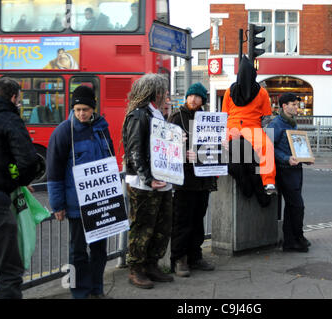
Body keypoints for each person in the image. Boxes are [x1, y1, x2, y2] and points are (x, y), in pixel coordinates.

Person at [47, 85, 114, 299]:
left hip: (100, 203)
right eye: (77, 109)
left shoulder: (102, 129)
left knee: (99, 251)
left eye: (85, 109)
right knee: (77, 252)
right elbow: (54, 171)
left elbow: (110, 162)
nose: (81, 114)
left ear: (93, 108)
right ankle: (79, 293)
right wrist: (57, 205)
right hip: (76, 206)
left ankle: (97, 289)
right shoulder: (64, 132)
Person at [122, 74, 174, 289]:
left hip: (162, 180)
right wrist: (148, 178)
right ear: (155, 92)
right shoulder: (138, 116)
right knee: (143, 226)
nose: (166, 95)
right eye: (163, 90)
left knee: (162, 226)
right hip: (144, 183)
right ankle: (136, 269)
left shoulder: (156, 114)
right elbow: (134, 151)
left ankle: (151, 264)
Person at [0, 78, 40, 299]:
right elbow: (28, 161)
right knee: (9, 271)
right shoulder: (8, 119)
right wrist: (20, 181)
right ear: (14, 97)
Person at [168, 82, 217, 277]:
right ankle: (179, 259)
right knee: (182, 220)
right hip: (184, 179)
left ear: (203, 100)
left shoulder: (207, 119)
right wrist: (182, 153)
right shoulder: (176, 117)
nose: (193, 100)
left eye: (197, 97)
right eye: (191, 96)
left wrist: (220, 144)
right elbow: (166, 147)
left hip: (203, 178)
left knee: (198, 219)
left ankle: (195, 256)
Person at [222, 56, 276, 195]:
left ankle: (214, 176)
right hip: (252, 127)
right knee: (266, 147)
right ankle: (268, 181)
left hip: (232, 125)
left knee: (219, 147)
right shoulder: (262, 92)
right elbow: (266, 117)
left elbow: (224, 114)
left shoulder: (229, 91)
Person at [266, 93, 312, 253]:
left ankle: (293, 239)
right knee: (297, 205)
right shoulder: (276, 124)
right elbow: (268, 147)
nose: (296, 107)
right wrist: (286, 158)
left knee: (292, 207)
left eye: (296, 104)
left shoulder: (292, 124)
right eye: (293, 104)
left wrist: (305, 158)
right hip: (284, 171)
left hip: (296, 170)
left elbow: (296, 146)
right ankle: (296, 238)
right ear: (284, 106)